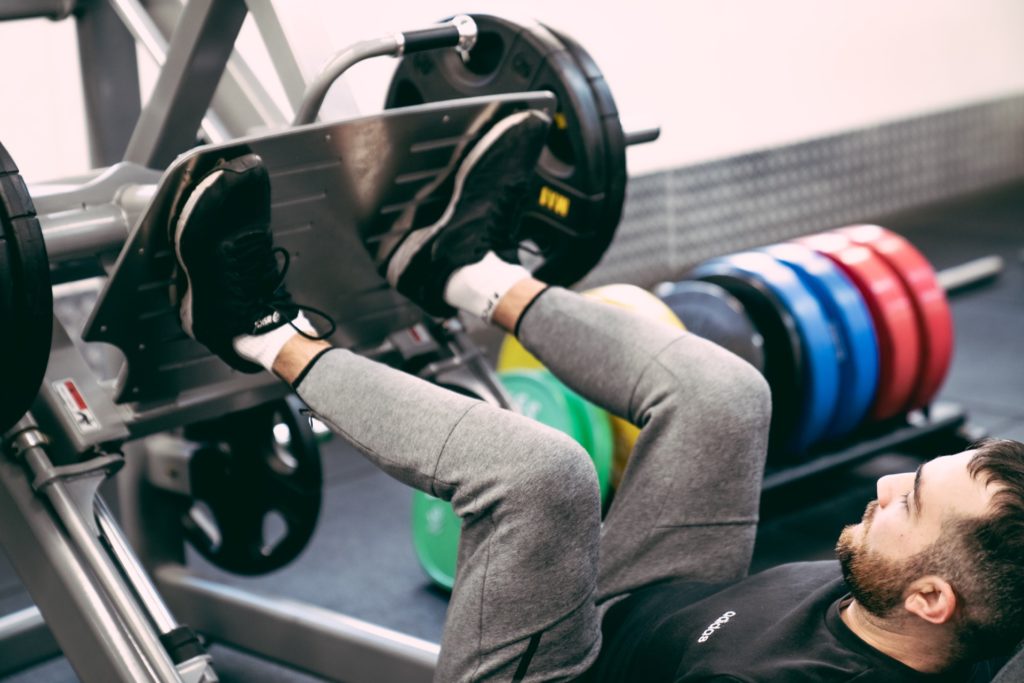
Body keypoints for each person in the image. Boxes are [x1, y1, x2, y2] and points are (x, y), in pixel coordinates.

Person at [169, 109, 1024, 682]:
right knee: (727, 392)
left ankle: (254, 330)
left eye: (907, 502)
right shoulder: (929, 609)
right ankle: (462, 271)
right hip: (668, 611)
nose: (882, 485)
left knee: (543, 474)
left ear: (930, 600)